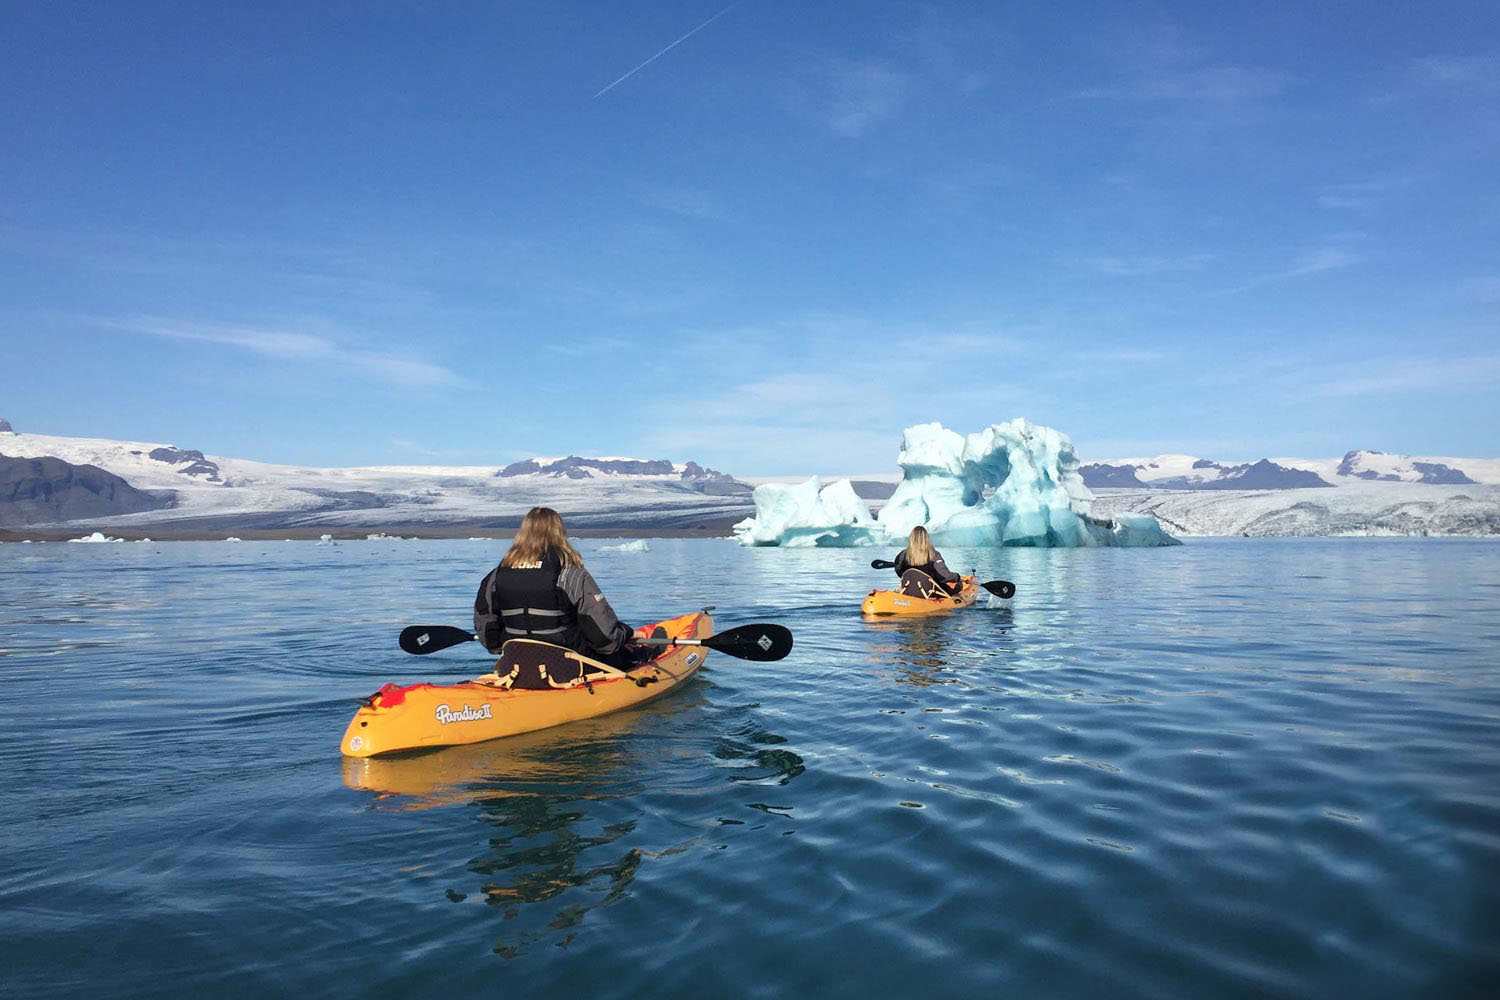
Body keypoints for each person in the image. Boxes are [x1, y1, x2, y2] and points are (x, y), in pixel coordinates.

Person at [473, 507, 646, 667]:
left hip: (518, 662)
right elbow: (604, 638)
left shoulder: (497, 575)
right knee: (637, 654)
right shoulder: (570, 573)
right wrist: (627, 634)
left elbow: (487, 628)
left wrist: (499, 647)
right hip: (568, 663)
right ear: (559, 532)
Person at [891, 525, 963, 598]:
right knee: (959, 585)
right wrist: (957, 577)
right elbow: (945, 576)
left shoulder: (902, 555)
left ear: (911, 538)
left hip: (910, 589)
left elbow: (899, 572)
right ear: (926, 539)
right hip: (933, 592)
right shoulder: (934, 555)